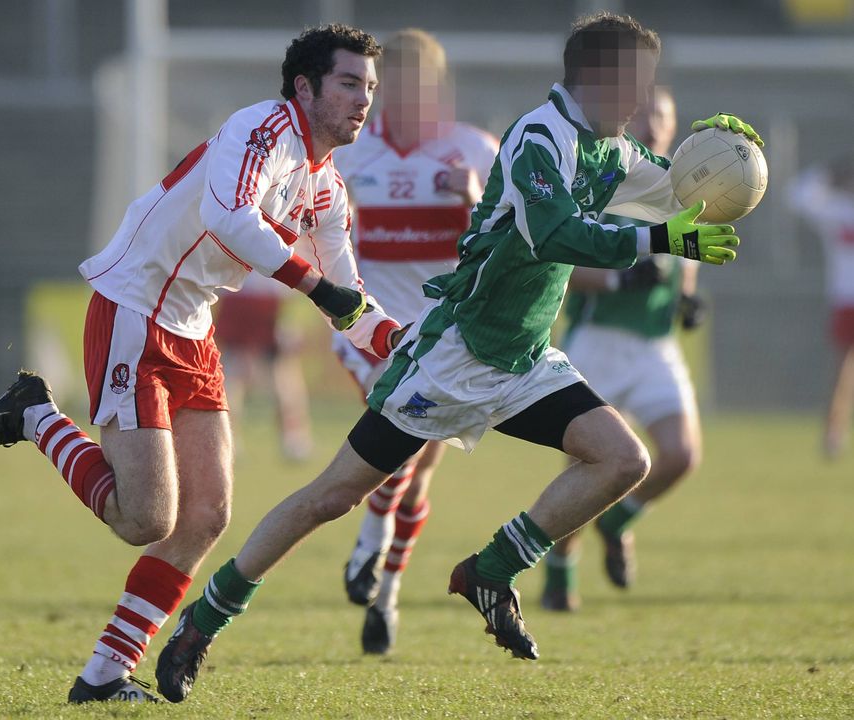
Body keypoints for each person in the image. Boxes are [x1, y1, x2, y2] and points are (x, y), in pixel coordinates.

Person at [154, 12, 759, 704]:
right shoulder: (541, 136)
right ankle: (204, 620)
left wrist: (721, 159)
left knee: (624, 460)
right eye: (636, 84)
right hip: (454, 355)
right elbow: (553, 234)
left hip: (524, 360)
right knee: (332, 497)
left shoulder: (611, 149)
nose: (643, 100)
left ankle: (491, 570)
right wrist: (660, 240)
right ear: (598, 77)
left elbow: (681, 195)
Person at [0, 24, 403, 704]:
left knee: (208, 515)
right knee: (146, 520)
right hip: (134, 304)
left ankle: (103, 676)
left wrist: (399, 342)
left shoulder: (327, 188)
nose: (363, 100)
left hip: (193, 328)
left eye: (369, 87)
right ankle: (36, 416)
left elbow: (351, 295)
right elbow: (231, 217)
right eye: (348, 83)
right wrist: (317, 288)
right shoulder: (261, 129)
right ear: (305, 88)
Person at [331, 28, 499, 654]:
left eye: (415, 86)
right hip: (369, 324)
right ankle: (370, 547)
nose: (401, 99)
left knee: (417, 466)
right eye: (388, 86)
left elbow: (511, 237)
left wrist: (474, 199)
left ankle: (386, 591)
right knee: (403, 431)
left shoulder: (474, 150)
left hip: (445, 330)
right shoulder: (350, 152)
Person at [540, 87, 704, 611]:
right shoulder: (606, 179)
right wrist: (619, 280)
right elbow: (561, 260)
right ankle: (560, 572)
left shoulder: (682, 188)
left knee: (681, 455)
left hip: (656, 345)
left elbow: (684, 256)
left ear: (674, 125)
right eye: (644, 114)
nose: (654, 123)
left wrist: (687, 298)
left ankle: (618, 520)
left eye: (663, 115)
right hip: (599, 340)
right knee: (587, 466)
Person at [787, 158, 854, 460]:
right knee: (841, 372)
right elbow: (797, 197)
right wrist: (827, 173)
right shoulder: (837, 210)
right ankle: (833, 433)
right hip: (846, 301)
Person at [215, 272, 313, 462]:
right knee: (230, 380)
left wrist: (289, 322)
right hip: (238, 297)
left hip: (270, 300)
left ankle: (293, 438)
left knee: (282, 379)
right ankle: (228, 439)